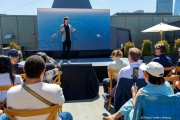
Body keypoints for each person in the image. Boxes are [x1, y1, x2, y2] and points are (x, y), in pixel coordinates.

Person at [3, 55, 73, 120]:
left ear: (24, 69)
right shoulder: (56, 89)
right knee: (67, 115)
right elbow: (61, 102)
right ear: (43, 71)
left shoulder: (11, 92)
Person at [103, 62, 174, 120]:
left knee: (131, 103)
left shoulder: (143, 91)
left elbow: (135, 106)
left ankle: (114, 117)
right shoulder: (168, 85)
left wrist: (134, 93)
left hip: (147, 116)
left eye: (144, 71)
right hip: (165, 114)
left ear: (146, 74)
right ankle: (114, 117)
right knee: (132, 100)